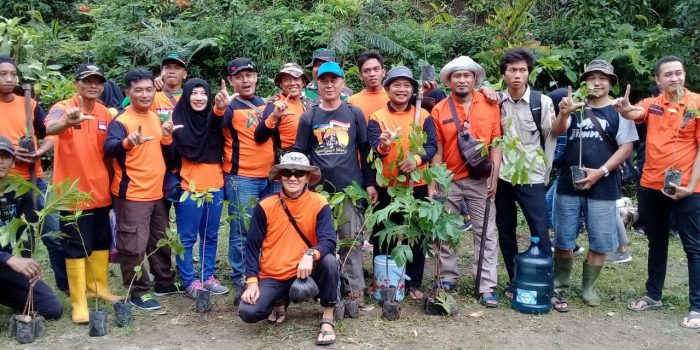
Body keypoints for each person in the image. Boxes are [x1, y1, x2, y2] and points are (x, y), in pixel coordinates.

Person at [613, 56, 700, 328]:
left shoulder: (696, 104)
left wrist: (690, 186)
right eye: (668, 75)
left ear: (684, 76)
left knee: (694, 247)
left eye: (678, 73)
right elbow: (635, 113)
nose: (674, 79)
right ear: (658, 80)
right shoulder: (653, 104)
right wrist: (625, 108)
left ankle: (697, 306)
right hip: (651, 185)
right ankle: (653, 295)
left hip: (687, 188)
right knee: (656, 241)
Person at [552, 60, 638, 307]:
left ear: (611, 82)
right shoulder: (576, 106)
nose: (597, 82)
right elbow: (558, 132)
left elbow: (627, 147)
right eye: (592, 78)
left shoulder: (619, 111)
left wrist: (600, 172)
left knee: (600, 241)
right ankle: (561, 279)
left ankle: (588, 287)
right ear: (585, 81)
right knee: (563, 238)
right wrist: (564, 113)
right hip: (569, 184)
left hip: (603, 186)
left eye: (603, 78)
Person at [45, 64, 121, 323]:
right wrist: (67, 120)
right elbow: (49, 127)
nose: (93, 85)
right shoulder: (62, 107)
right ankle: (79, 302)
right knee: (76, 247)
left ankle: (98, 286)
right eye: (88, 80)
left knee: (100, 242)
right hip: (71, 194)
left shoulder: (105, 113)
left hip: (101, 190)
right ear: (76, 83)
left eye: (98, 81)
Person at [293, 61, 374, 304]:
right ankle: (319, 285)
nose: (329, 85)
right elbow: (301, 153)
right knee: (318, 240)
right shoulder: (310, 116)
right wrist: (301, 186)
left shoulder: (354, 113)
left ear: (343, 83)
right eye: (324, 81)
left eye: (334, 80)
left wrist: (369, 184)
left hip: (349, 188)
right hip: (318, 191)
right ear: (317, 85)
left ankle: (353, 288)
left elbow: (364, 149)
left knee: (351, 239)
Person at [104, 68, 184, 311]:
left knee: (160, 240)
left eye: (149, 89)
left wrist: (168, 137)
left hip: (157, 193)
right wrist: (128, 143)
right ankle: (138, 290)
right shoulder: (121, 120)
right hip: (132, 195)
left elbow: (167, 157)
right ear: (128, 92)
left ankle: (164, 281)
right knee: (133, 244)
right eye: (138, 90)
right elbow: (109, 147)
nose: (145, 94)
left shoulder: (154, 118)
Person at [239, 152, 339, 346]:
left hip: (307, 270)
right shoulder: (266, 205)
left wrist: (310, 254)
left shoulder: (319, 203)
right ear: (280, 176)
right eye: (287, 172)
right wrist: (252, 282)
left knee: (329, 261)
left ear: (307, 178)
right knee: (248, 312)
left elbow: (328, 241)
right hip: (275, 274)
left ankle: (328, 316)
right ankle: (279, 301)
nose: (293, 177)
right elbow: (252, 247)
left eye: (299, 173)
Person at [430, 56, 502, 307]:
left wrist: (494, 176)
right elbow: (437, 148)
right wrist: (436, 180)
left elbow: (496, 144)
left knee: (486, 233)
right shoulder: (439, 109)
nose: (462, 80)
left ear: (475, 79)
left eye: (466, 75)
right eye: (456, 76)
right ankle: (446, 276)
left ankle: (486, 285)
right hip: (449, 179)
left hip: (480, 180)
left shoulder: (490, 103)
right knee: (445, 231)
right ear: (449, 80)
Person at [494, 49, 563, 309]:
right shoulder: (495, 101)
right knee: (505, 229)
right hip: (502, 175)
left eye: (522, 70)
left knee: (539, 229)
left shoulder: (541, 101)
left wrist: (565, 114)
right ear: (504, 73)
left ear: (529, 73)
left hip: (532, 175)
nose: (517, 75)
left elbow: (555, 131)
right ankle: (515, 281)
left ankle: (547, 284)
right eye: (512, 70)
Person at [366, 66, 438, 299]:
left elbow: (431, 146)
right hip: (387, 185)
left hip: (415, 186)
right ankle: (383, 279)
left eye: (407, 85)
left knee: (414, 234)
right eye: (396, 84)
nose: (402, 89)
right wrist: (385, 146)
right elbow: (374, 147)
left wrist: (416, 160)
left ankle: (413, 283)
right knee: (383, 233)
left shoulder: (423, 115)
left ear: (413, 90)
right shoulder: (377, 117)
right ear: (387, 89)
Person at [0, 55, 65, 295]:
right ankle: (20, 289)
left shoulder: (29, 104)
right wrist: (10, 151)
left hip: (33, 179)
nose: (8, 78)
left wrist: (41, 150)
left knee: (53, 230)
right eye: (2, 74)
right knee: (16, 238)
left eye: (12, 74)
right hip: (5, 183)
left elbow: (50, 132)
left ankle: (65, 285)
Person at [212, 58, 275, 300]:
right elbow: (213, 124)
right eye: (239, 77)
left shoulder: (262, 104)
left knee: (263, 226)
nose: (245, 80)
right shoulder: (229, 106)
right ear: (231, 81)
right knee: (241, 228)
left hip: (268, 177)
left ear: (256, 77)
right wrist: (219, 108)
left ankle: (259, 267)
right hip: (242, 177)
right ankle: (240, 274)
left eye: (249, 75)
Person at [172, 78, 228, 298]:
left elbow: (217, 120)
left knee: (210, 235)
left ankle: (207, 276)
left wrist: (220, 107)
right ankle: (189, 280)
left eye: (203, 93)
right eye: (194, 93)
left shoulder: (214, 121)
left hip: (215, 186)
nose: (199, 97)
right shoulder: (177, 122)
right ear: (186, 96)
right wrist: (167, 138)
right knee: (186, 238)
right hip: (189, 189)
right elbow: (170, 158)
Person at [0, 136, 63, 321]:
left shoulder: (21, 192)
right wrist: (9, 258)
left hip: (6, 267)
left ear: (13, 162)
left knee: (52, 308)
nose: (0, 161)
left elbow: (26, 235)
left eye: (5, 156)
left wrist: (25, 263)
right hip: (6, 260)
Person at [255, 63, 309, 160]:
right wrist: (274, 116)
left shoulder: (302, 104)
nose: (292, 83)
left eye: (296, 79)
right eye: (287, 80)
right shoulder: (277, 104)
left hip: (303, 156)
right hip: (287, 159)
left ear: (303, 82)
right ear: (280, 84)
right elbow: (259, 136)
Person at [347, 50, 388, 118]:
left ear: (383, 72)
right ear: (360, 76)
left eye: (376, 69)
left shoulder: (392, 98)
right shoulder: (353, 101)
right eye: (366, 71)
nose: (372, 74)